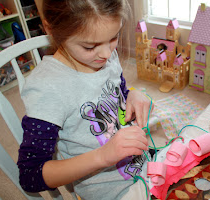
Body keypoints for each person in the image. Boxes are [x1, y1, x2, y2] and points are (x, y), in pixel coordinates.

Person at [17, 0, 153, 199]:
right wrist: (102, 156)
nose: (107, 54)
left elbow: (117, 91)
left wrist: (132, 93)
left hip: (145, 166)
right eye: (90, 46)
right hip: (112, 192)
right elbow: (30, 176)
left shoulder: (106, 54)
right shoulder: (47, 88)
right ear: (51, 29)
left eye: (114, 37)